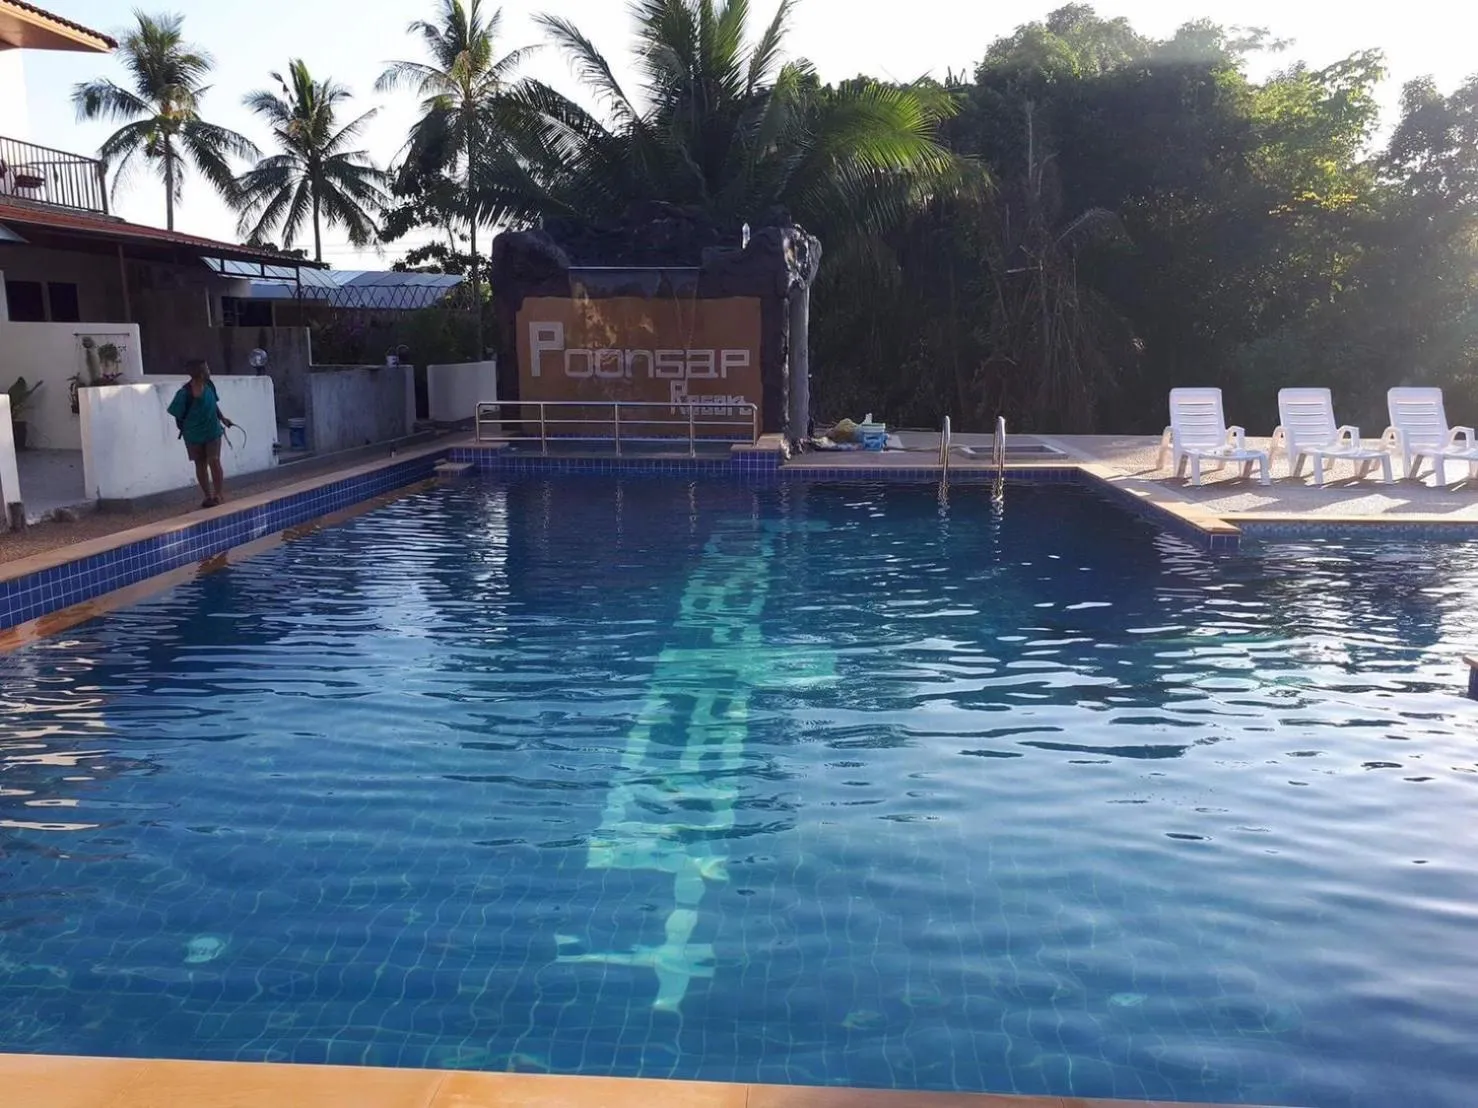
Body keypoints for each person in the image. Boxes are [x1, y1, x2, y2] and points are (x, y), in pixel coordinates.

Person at [167, 359, 235, 508]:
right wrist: (186, 430)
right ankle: (207, 496)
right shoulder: (184, 393)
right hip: (193, 435)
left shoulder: (210, 386)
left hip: (212, 431)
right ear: (200, 373)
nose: (209, 371)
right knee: (200, 464)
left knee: (214, 460)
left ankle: (218, 494)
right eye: (207, 369)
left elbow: (214, 404)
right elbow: (178, 415)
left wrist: (223, 418)